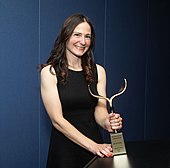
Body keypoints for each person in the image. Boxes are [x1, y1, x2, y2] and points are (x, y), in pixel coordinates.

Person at [40, 13, 123, 168]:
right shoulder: (50, 72)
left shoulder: (98, 71)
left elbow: (99, 110)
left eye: (87, 36)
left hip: (96, 151)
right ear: (66, 36)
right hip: (65, 152)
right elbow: (57, 121)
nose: (82, 41)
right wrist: (93, 146)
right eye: (77, 35)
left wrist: (107, 122)